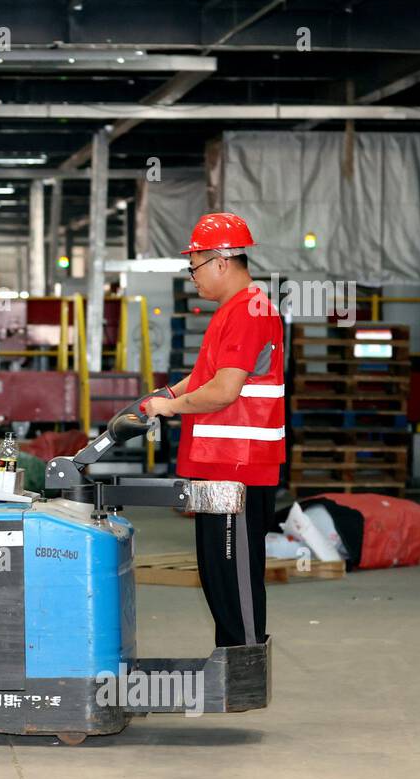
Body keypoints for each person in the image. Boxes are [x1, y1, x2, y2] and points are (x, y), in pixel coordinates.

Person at [140, 212, 284, 648]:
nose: (192, 277)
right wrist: (161, 397)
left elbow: (223, 391)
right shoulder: (232, 311)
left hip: (237, 469)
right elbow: (207, 375)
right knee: (219, 575)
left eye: (195, 266)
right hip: (221, 467)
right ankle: (232, 662)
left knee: (234, 576)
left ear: (222, 261)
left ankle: (244, 666)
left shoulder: (249, 311)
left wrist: (172, 406)